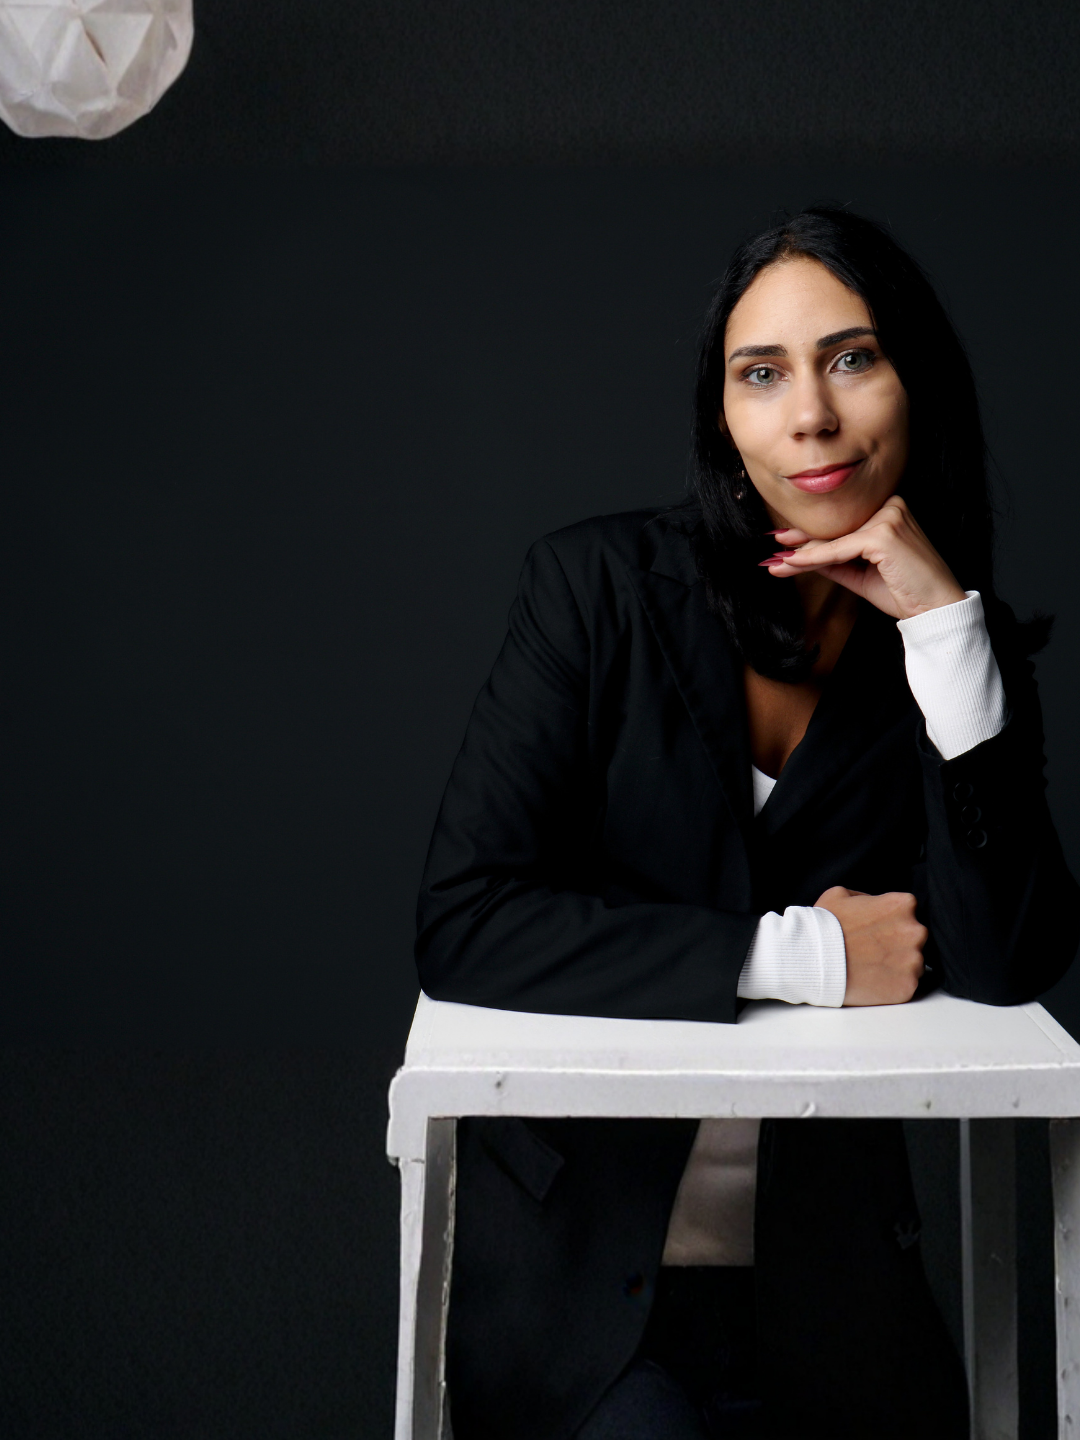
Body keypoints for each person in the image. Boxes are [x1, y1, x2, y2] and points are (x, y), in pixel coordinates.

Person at [414, 206, 1079, 1440]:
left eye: (851, 359)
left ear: (917, 385)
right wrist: (810, 955)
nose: (809, 415)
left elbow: (1004, 960)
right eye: (761, 374)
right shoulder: (595, 591)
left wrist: (944, 636)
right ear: (723, 418)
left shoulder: (954, 646)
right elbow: (466, 921)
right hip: (584, 1309)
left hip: (836, 1308)